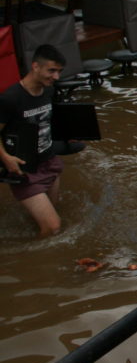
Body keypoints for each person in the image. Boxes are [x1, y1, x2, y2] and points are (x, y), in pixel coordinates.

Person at [0, 44, 66, 237]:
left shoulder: (48, 91)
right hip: (25, 169)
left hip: (49, 162)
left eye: (59, 71)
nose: (56, 77)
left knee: (52, 214)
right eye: (51, 71)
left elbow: (47, 122)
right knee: (53, 227)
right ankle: (30, 254)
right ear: (35, 66)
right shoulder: (10, 98)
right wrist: (6, 158)